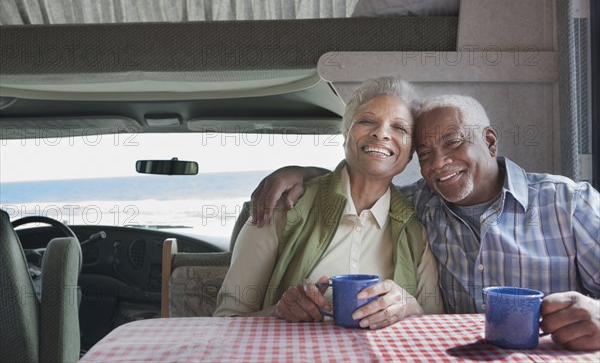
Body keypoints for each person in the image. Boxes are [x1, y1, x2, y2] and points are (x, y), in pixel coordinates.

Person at [251, 94, 600, 351]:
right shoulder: (420, 203)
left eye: (453, 142)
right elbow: (365, 181)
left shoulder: (569, 202)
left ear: (490, 142)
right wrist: (300, 173)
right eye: (426, 155)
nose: (440, 163)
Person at [213, 76, 444, 328]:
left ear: (411, 151)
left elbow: (431, 326)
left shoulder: (416, 229)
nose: (381, 133)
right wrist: (277, 313)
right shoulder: (282, 205)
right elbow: (226, 321)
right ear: (345, 134)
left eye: (399, 128)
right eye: (367, 121)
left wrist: (409, 305)